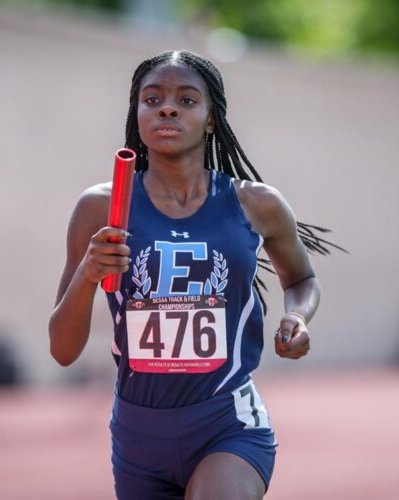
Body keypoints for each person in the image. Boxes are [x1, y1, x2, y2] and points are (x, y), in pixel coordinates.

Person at [49, 50, 322, 500]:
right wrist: (88, 274)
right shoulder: (99, 208)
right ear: (136, 114)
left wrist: (299, 316)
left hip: (227, 424)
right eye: (151, 99)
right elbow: (62, 350)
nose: (167, 108)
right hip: (138, 436)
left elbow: (301, 280)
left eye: (187, 100)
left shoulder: (258, 204)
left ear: (212, 119)